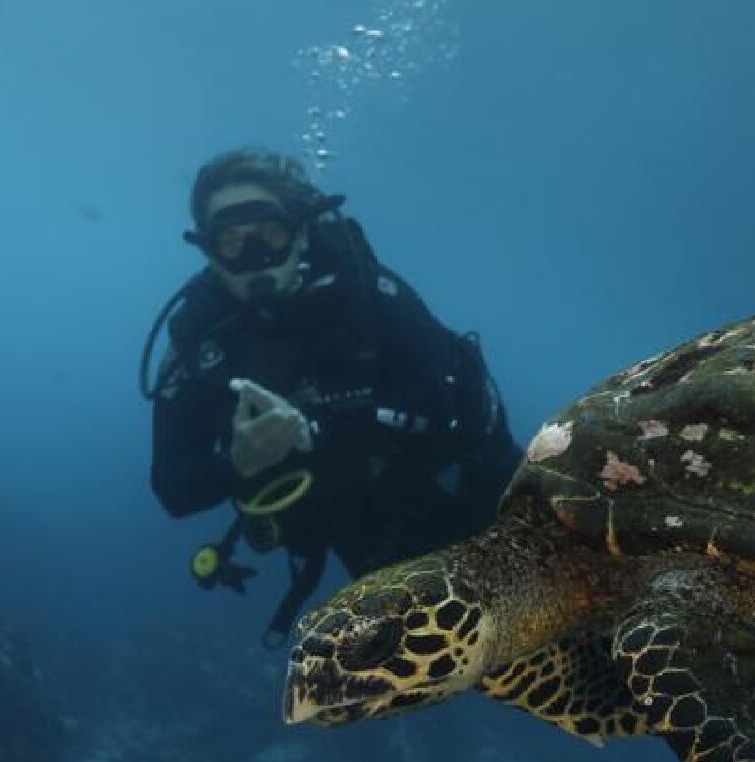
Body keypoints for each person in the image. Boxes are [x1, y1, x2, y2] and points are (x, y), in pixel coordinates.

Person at [143, 148, 520, 645]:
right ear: (209, 252)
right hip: (367, 542)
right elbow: (174, 489)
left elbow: (443, 410)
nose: (254, 259)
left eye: (270, 235)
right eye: (230, 242)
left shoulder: (368, 296)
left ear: (301, 233)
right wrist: (238, 463)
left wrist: (316, 431)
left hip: (477, 498)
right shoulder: (201, 340)